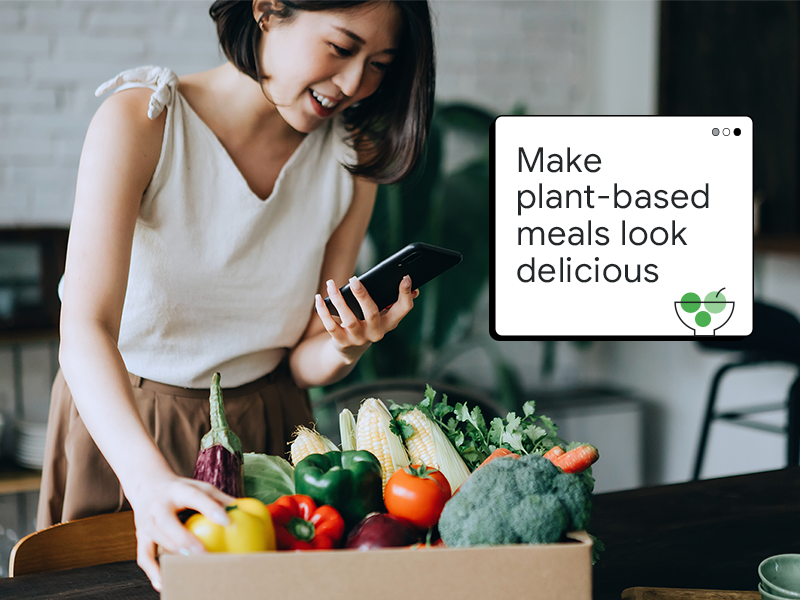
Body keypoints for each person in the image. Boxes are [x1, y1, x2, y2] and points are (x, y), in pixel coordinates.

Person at [37, 0, 434, 590]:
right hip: (128, 427)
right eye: (342, 47)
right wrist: (147, 481)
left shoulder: (350, 166)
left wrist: (348, 343)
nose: (355, 84)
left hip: (270, 427)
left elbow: (303, 358)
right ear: (268, 11)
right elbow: (84, 328)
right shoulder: (142, 121)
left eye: (379, 63)